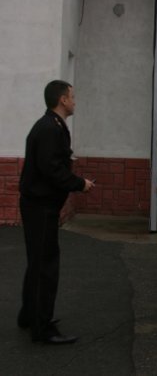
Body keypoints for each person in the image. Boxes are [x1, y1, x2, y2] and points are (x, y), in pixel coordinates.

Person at [18, 80, 94, 344]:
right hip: (41, 207)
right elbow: (51, 169)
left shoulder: (52, 126)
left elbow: (51, 163)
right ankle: (42, 328)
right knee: (45, 266)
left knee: (38, 262)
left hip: (40, 205)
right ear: (62, 100)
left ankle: (29, 315)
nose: (75, 100)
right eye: (72, 96)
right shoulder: (50, 128)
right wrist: (79, 184)